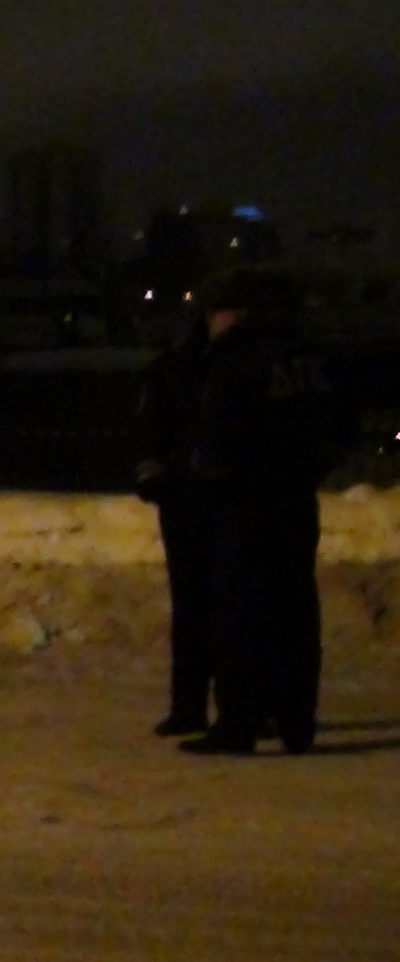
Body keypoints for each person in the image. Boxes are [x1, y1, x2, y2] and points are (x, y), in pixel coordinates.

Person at [178, 268, 353, 756]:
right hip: (295, 501)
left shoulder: (236, 360)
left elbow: (217, 436)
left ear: (234, 314)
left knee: (239, 613)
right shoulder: (310, 358)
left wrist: (210, 479)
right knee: (295, 612)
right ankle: (297, 719)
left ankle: (239, 721)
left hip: (245, 504)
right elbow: (340, 426)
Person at [133, 311, 215, 736]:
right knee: (234, 604)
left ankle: (190, 706)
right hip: (214, 497)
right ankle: (247, 706)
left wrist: (156, 480)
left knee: (192, 607)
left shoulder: (171, 368)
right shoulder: (226, 367)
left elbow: (150, 434)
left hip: (184, 499)